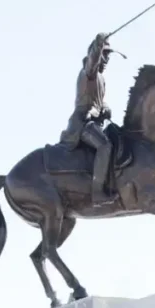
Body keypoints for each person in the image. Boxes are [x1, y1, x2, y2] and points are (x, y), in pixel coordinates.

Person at [59, 32, 115, 205]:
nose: (106, 59)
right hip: (82, 123)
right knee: (104, 146)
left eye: (108, 56)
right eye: (104, 55)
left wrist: (105, 107)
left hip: (96, 122)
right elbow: (93, 61)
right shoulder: (89, 72)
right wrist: (98, 46)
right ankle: (97, 191)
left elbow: (97, 102)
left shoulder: (101, 79)